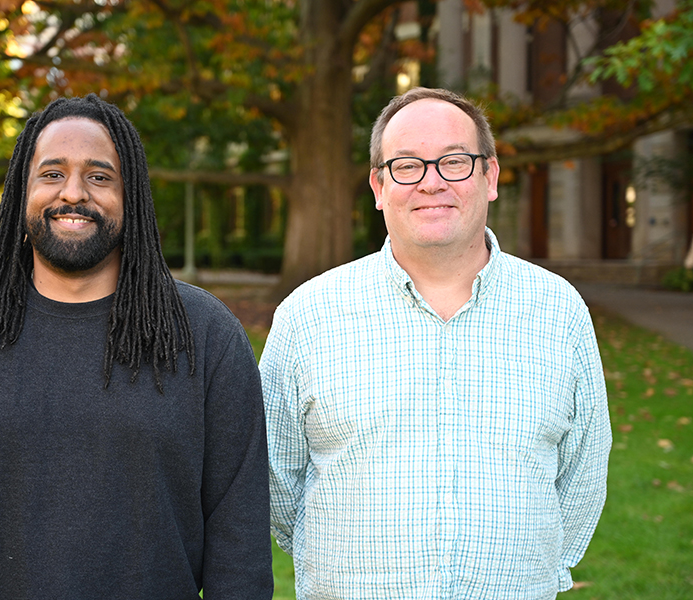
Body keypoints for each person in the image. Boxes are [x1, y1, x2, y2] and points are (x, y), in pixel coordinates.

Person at [0, 94, 273, 599]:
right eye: (52, 173)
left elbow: (239, 547)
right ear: (21, 191)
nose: (73, 192)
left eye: (99, 176)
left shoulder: (205, 336)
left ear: (131, 195)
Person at [260, 87, 611, 599]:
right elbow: (275, 472)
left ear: (490, 177)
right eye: (407, 166)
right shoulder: (307, 316)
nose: (432, 182)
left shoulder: (559, 311)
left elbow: (584, 469)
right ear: (379, 186)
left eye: (454, 162)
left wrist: (540, 568)